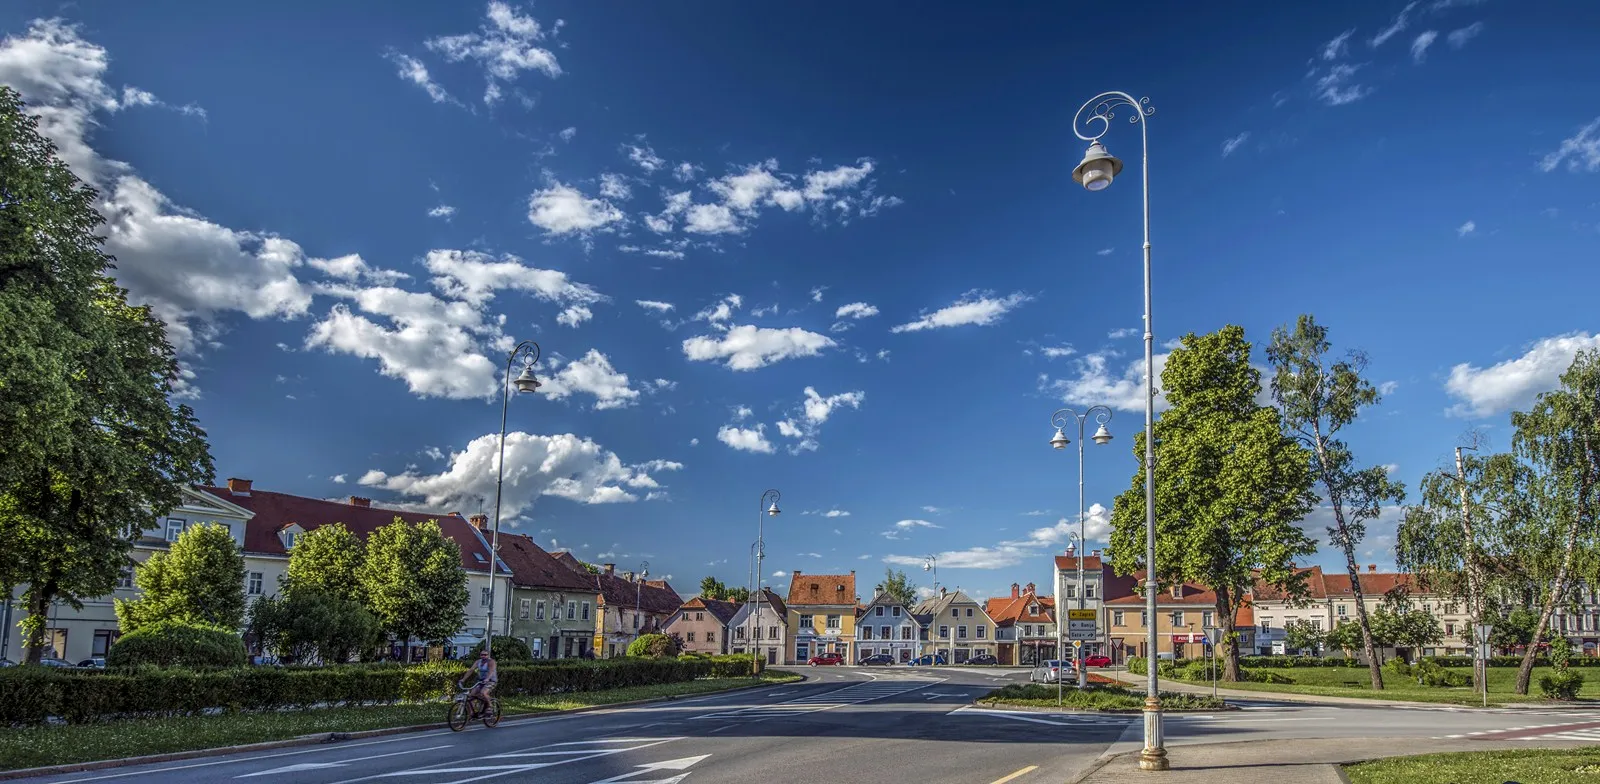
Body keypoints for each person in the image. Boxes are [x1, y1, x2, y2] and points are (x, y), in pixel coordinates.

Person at [458, 649, 497, 716]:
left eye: (485, 655)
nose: (483, 656)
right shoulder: (478, 662)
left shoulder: (491, 662)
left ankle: (490, 707)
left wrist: (487, 678)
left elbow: (491, 671)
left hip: (491, 681)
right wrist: (463, 679)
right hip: (480, 681)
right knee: (470, 696)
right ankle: (472, 713)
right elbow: (471, 670)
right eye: (482, 655)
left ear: (488, 655)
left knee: (483, 692)